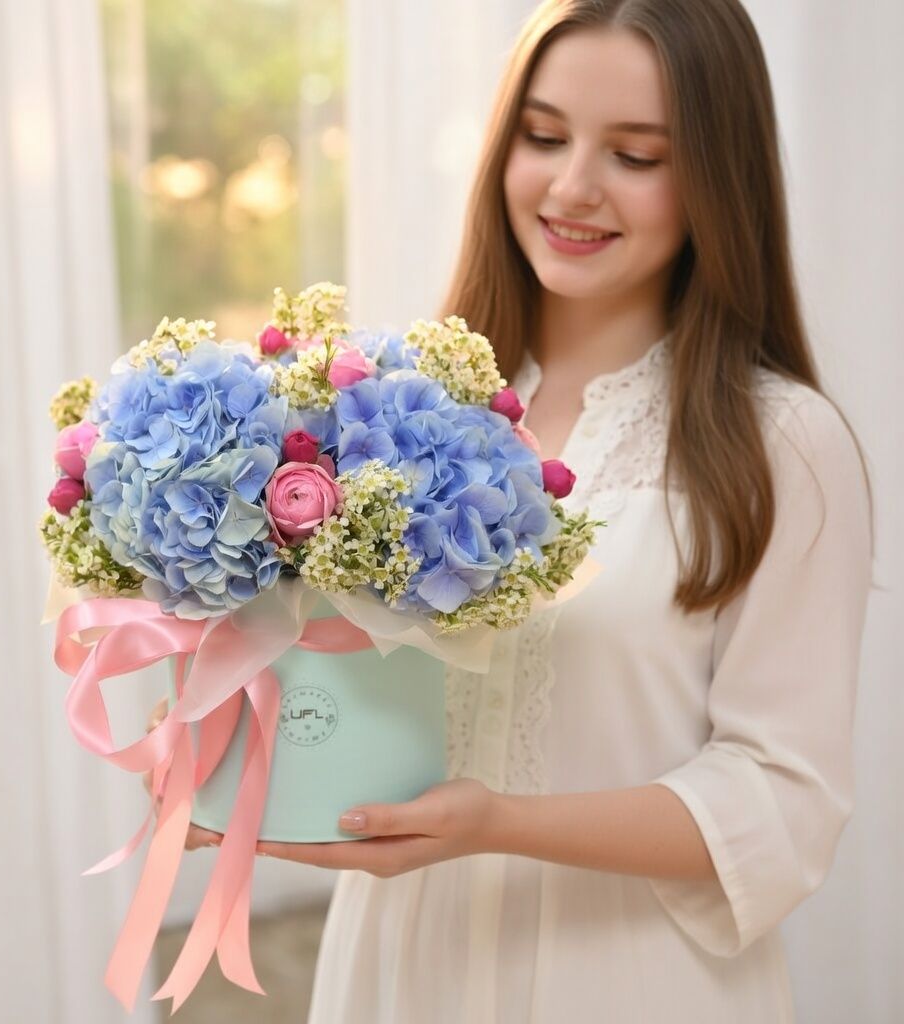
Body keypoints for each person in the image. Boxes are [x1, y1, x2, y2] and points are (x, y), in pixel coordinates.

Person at [150, 0, 874, 1019]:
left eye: (636, 154)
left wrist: (499, 824)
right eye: (542, 137)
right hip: (399, 972)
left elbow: (783, 798)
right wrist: (222, 731)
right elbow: (329, 682)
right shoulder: (391, 404)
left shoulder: (782, 445)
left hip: (629, 985)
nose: (572, 186)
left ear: (719, 177)